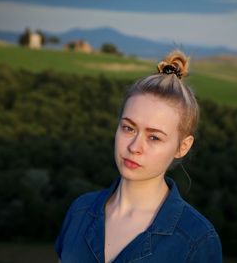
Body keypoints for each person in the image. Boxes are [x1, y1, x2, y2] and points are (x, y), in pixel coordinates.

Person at [55, 50, 222, 263]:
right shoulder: (80, 210)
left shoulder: (197, 240)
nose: (135, 147)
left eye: (154, 138)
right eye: (128, 128)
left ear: (183, 147)